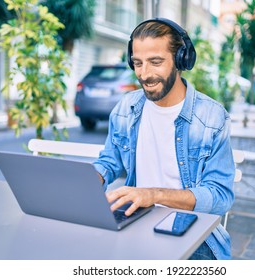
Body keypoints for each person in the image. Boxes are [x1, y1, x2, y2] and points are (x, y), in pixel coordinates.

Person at [93, 18, 235, 260]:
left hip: (194, 236)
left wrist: (154, 195)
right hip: (135, 223)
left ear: (181, 60)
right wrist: (90, 180)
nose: (144, 74)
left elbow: (220, 196)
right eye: (137, 63)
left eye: (155, 62)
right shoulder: (127, 107)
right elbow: (109, 161)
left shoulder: (211, 117)